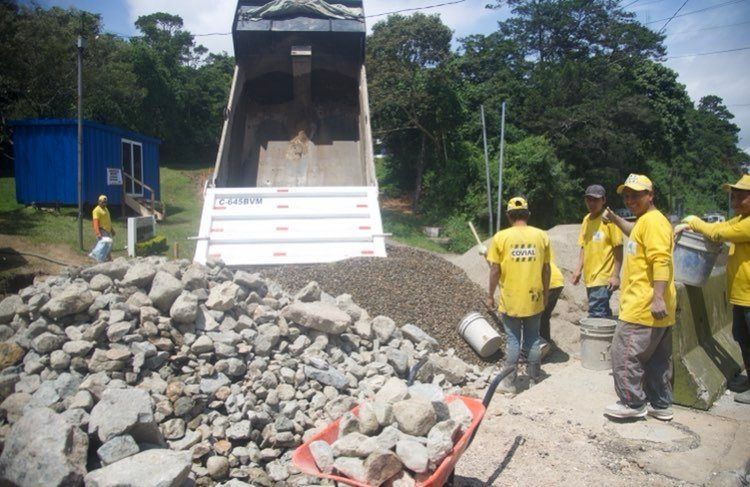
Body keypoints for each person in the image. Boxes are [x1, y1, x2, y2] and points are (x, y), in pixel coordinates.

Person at [601, 174, 676, 421]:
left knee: (624, 354)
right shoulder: (647, 221)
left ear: (650, 195)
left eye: (636, 195)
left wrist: (657, 297)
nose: (630, 200)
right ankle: (660, 404)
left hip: (643, 305)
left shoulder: (654, 223)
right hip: (653, 308)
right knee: (657, 360)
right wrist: (613, 218)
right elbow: (632, 230)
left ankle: (632, 403)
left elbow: (661, 260)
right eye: (627, 195)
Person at [679, 174, 750, 405]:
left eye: (742, 196)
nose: (736, 200)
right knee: (742, 337)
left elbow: (718, 234)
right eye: (734, 195)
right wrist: (697, 225)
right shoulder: (741, 219)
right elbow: (719, 226)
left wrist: (693, 221)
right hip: (742, 296)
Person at [486, 196, 551, 392]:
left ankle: (510, 383)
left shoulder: (501, 237)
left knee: (513, 340)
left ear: (508, 216)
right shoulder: (541, 236)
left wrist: (490, 295)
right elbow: (546, 269)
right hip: (534, 297)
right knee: (532, 338)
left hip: (511, 299)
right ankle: (534, 378)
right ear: (528, 214)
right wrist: (546, 293)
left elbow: (495, 270)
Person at [571, 184, 623, 317]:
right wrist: (578, 269)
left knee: (596, 314)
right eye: (589, 199)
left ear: (604, 200)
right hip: (590, 278)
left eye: (596, 200)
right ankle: (610, 336)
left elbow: (618, 248)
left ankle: (597, 338)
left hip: (603, 278)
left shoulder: (609, 219)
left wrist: (616, 275)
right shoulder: (586, 220)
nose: (592, 203)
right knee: (603, 312)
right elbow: (584, 245)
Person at [92, 195, 115, 261]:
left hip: (107, 230)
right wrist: (97, 233)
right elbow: (95, 222)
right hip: (102, 230)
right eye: (102, 202)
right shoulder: (96, 210)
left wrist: (112, 230)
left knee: (109, 245)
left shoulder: (106, 209)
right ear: (99, 202)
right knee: (104, 246)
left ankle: (108, 258)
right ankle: (101, 259)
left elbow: (108, 220)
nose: (104, 203)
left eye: (105, 202)